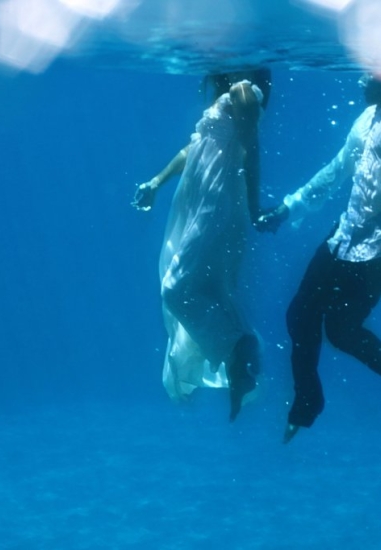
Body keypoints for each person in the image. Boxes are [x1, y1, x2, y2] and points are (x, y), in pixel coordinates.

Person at [255, 71, 381, 443]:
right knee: (299, 315)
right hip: (344, 235)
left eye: (369, 71)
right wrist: (288, 208)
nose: (359, 79)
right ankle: (308, 401)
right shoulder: (368, 116)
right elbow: (339, 168)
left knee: (341, 331)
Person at [133, 68, 272, 422]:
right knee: (202, 288)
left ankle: (239, 346)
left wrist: (254, 208)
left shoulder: (243, 91)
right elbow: (194, 148)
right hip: (200, 202)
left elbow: (251, 150)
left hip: (217, 203)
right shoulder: (232, 96)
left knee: (176, 289)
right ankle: (238, 362)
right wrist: (156, 182)